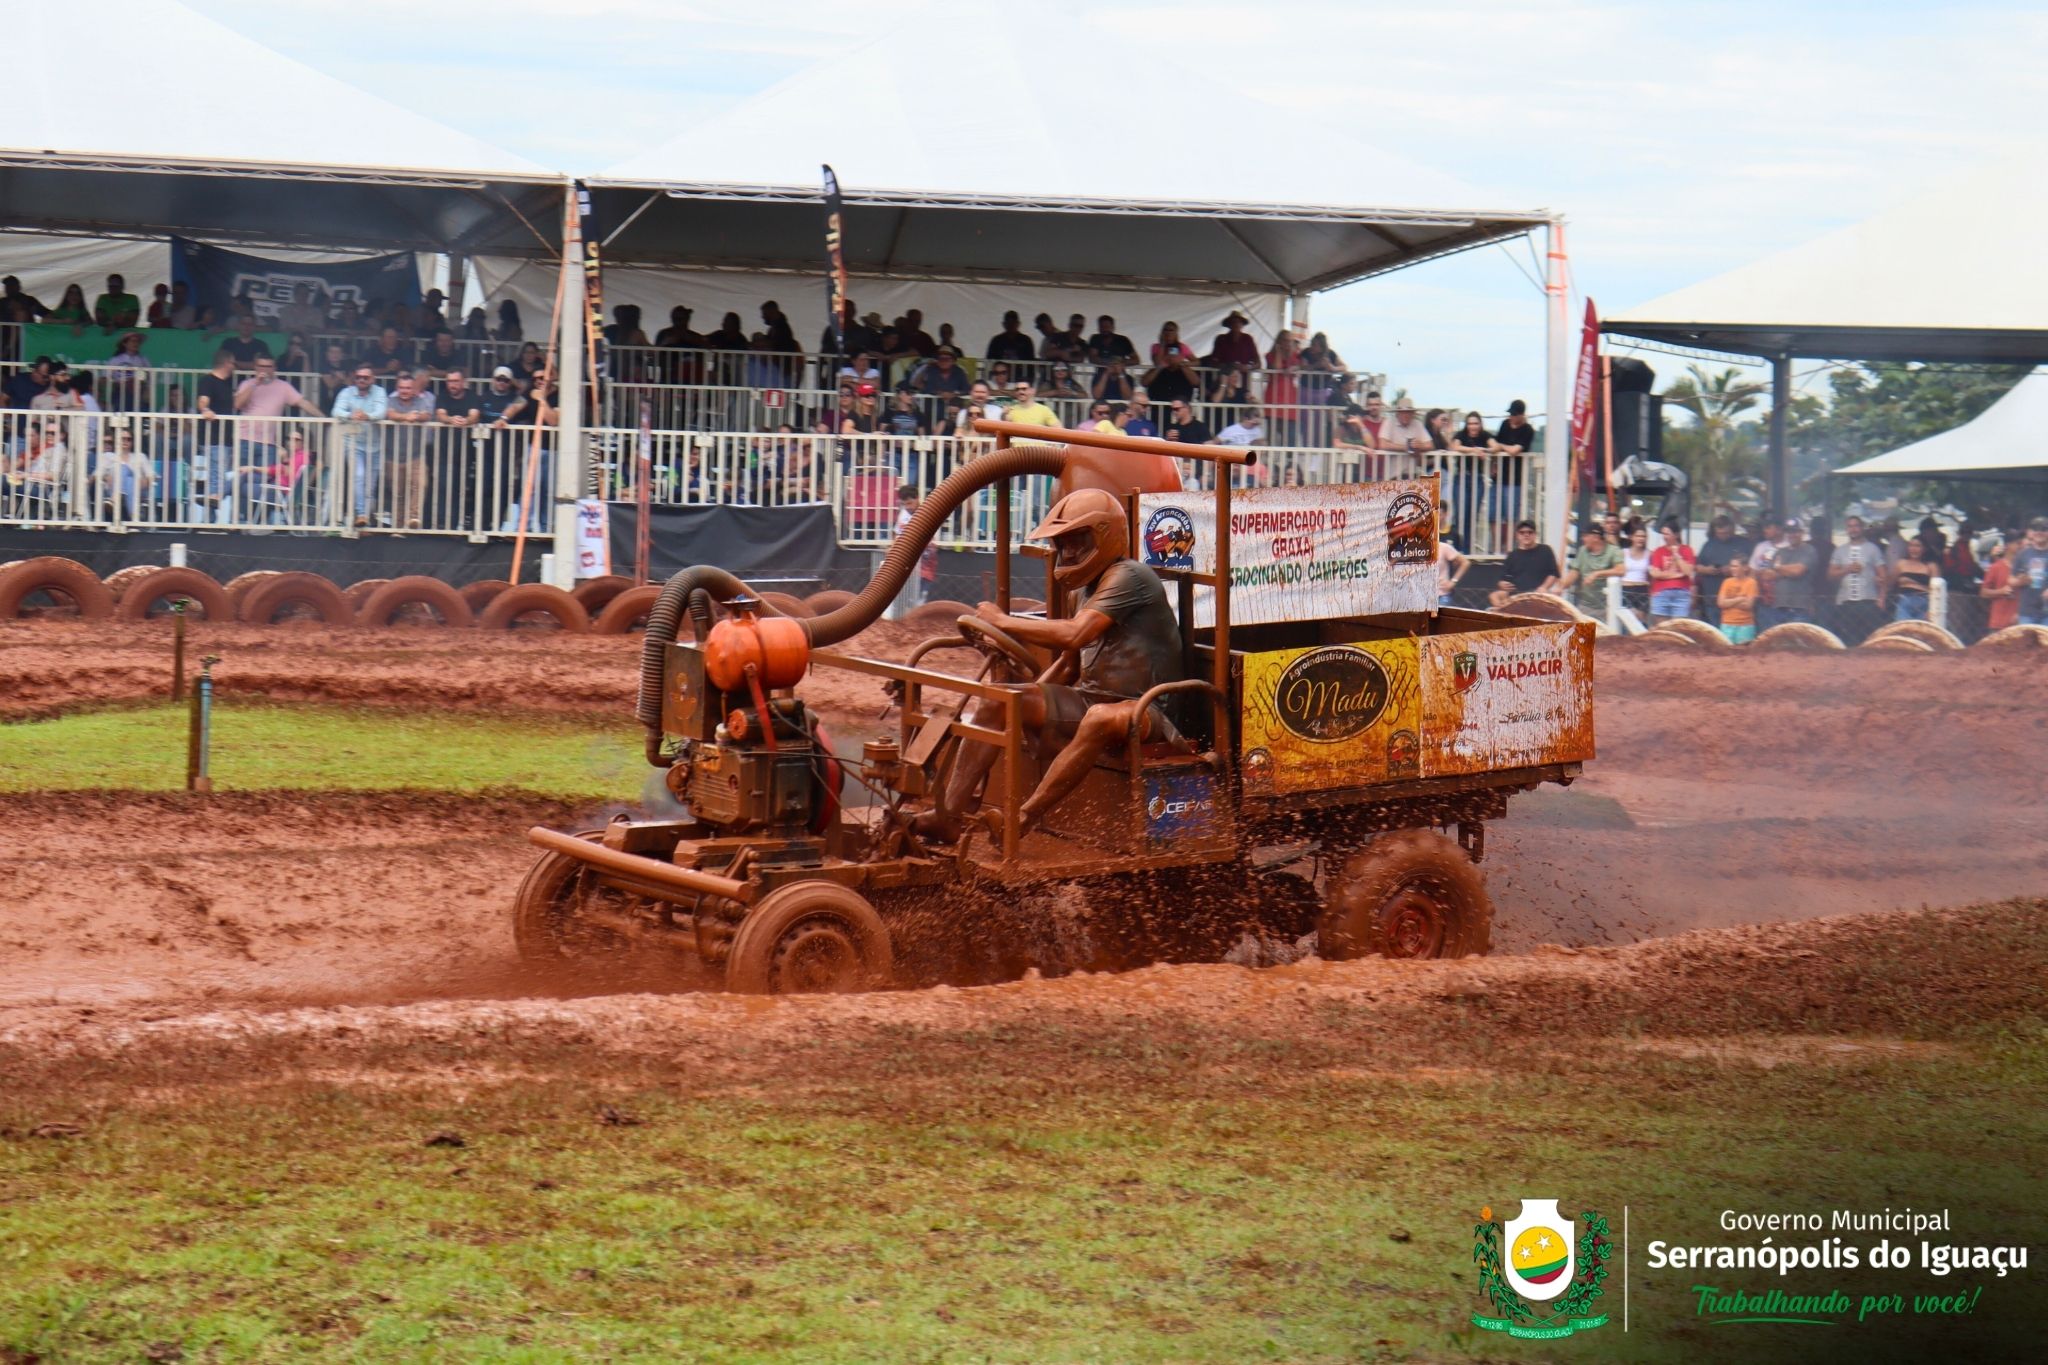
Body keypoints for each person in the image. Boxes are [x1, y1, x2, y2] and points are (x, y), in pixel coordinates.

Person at [914, 488, 1187, 843]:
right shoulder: (1081, 591)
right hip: (1094, 699)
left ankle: (1022, 820)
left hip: (1149, 709)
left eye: (1078, 541)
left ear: (1104, 536)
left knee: (1099, 717)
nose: (1069, 552)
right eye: (1063, 543)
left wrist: (1002, 621)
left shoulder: (1129, 576)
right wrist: (1024, 701)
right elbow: (1069, 664)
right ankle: (948, 816)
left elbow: (1074, 635)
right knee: (999, 699)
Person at [331, 364, 390, 528]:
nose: (361, 380)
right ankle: (361, 513)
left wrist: (367, 416)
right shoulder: (346, 392)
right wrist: (350, 415)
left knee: (370, 484)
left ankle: (365, 520)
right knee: (359, 475)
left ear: (373, 379)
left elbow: (381, 412)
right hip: (353, 443)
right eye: (358, 377)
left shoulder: (379, 392)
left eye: (365, 377)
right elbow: (336, 411)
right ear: (354, 378)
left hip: (375, 444)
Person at [383, 372, 439, 529]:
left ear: (413, 389)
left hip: (416, 454)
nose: (404, 391)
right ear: (397, 388)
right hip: (393, 455)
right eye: (401, 387)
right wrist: (406, 417)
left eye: (408, 388)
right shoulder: (391, 400)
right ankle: (398, 527)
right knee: (398, 493)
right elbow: (390, 414)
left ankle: (414, 517)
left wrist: (417, 417)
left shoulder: (420, 401)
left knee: (421, 484)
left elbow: (426, 415)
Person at [1828, 514, 1889, 641]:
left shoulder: (1873, 549)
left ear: (1862, 528)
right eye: (1850, 526)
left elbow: (1883, 575)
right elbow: (1830, 575)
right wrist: (1847, 569)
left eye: (1856, 526)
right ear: (1846, 529)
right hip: (1845, 602)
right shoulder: (1839, 551)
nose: (1853, 529)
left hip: (1868, 601)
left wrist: (1882, 598)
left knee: (1870, 639)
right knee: (1847, 640)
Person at [1691, 514, 1753, 627]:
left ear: (1732, 529)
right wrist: (1707, 570)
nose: (1722, 536)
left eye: (1726, 533)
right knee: (1713, 630)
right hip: (1711, 596)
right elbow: (1697, 567)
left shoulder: (1743, 543)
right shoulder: (1709, 544)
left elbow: (1751, 567)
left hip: (1736, 598)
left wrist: (1732, 569)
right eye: (1719, 533)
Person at [1763, 517, 1817, 626]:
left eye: (1795, 531)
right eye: (1789, 532)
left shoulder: (1809, 550)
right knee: (1779, 637)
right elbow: (1767, 575)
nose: (1792, 535)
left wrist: (1778, 568)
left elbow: (1798, 571)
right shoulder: (1780, 551)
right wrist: (1787, 571)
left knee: (1798, 638)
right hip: (1779, 607)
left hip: (1800, 608)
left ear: (1802, 532)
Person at [1561, 525, 1624, 617]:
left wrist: (1596, 574)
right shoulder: (1582, 550)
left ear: (1595, 537)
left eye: (1585, 536)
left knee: (1602, 627)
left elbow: (1621, 570)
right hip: (1586, 605)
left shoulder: (1613, 551)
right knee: (1582, 626)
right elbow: (1574, 572)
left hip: (1606, 608)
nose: (1582, 539)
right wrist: (1561, 587)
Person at [1647, 519, 1697, 622]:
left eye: (1667, 534)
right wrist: (1677, 575)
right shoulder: (1659, 551)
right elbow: (1655, 574)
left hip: (1681, 593)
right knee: (1663, 627)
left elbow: (1688, 571)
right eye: (1663, 534)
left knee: (1678, 626)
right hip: (1661, 592)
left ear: (1676, 535)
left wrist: (1676, 555)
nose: (1664, 537)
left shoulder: (1687, 550)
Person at [1500, 520, 1560, 595]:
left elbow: (1554, 574)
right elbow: (1502, 579)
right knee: (1494, 596)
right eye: (1522, 532)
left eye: (1530, 532)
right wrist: (1502, 584)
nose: (1526, 535)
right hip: (1517, 597)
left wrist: (1544, 587)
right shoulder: (1512, 555)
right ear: (1517, 535)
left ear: (1535, 534)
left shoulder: (1546, 550)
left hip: (1539, 596)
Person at [2013, 516, 2048, 626]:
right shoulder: (2022, 554)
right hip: (2026, 613)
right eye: (2036, 528)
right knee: (2026, 638)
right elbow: (2010, 579)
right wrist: (2020, 581)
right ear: (2031, 532)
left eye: (2044, 529)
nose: (2039, 532)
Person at [1890, 538, 1935, 621]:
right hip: (1905, 601)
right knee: (1904, 627)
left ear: (1924, 548)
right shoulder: (1901, 564)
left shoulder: (1931, 566)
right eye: (1911, 545)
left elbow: (1936, 590)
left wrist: (1931, 610)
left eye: (1918, 546)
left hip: (1924, 602)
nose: (1914, 549)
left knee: (1921, 628)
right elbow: (1890, 583)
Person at [1979, 541, 2019, 633]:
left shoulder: (2024, 568)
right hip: (1999, 622)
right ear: (2008, 545)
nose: (2020, 545)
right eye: (2018, 543)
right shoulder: (1995, 567)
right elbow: (1983, 592)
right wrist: (2001, 591)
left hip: (2020, 622)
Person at [1717, 557, 1760, 643]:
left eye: (1735, 566)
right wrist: (1739, 599)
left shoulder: (1751, 583)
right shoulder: (1726, 582)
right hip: (1727, 623)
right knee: (1726, 650)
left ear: (1745, 568)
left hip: (1745, 625)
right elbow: (1720, 603)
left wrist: (1729, 602)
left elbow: (1748, 605)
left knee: (1744, 650)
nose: (1732, 569)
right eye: (1731, 566)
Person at [1619, 525, 1652, 616]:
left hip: (1642, 589)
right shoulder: (1623, 552)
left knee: (1640, 619)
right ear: (1632, 537)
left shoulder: (1649, 554)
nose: (1641, 539)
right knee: (1625, 617)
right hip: (1625, 589)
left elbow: (1651, 575)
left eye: (1643, 536)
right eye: (1638, 536)